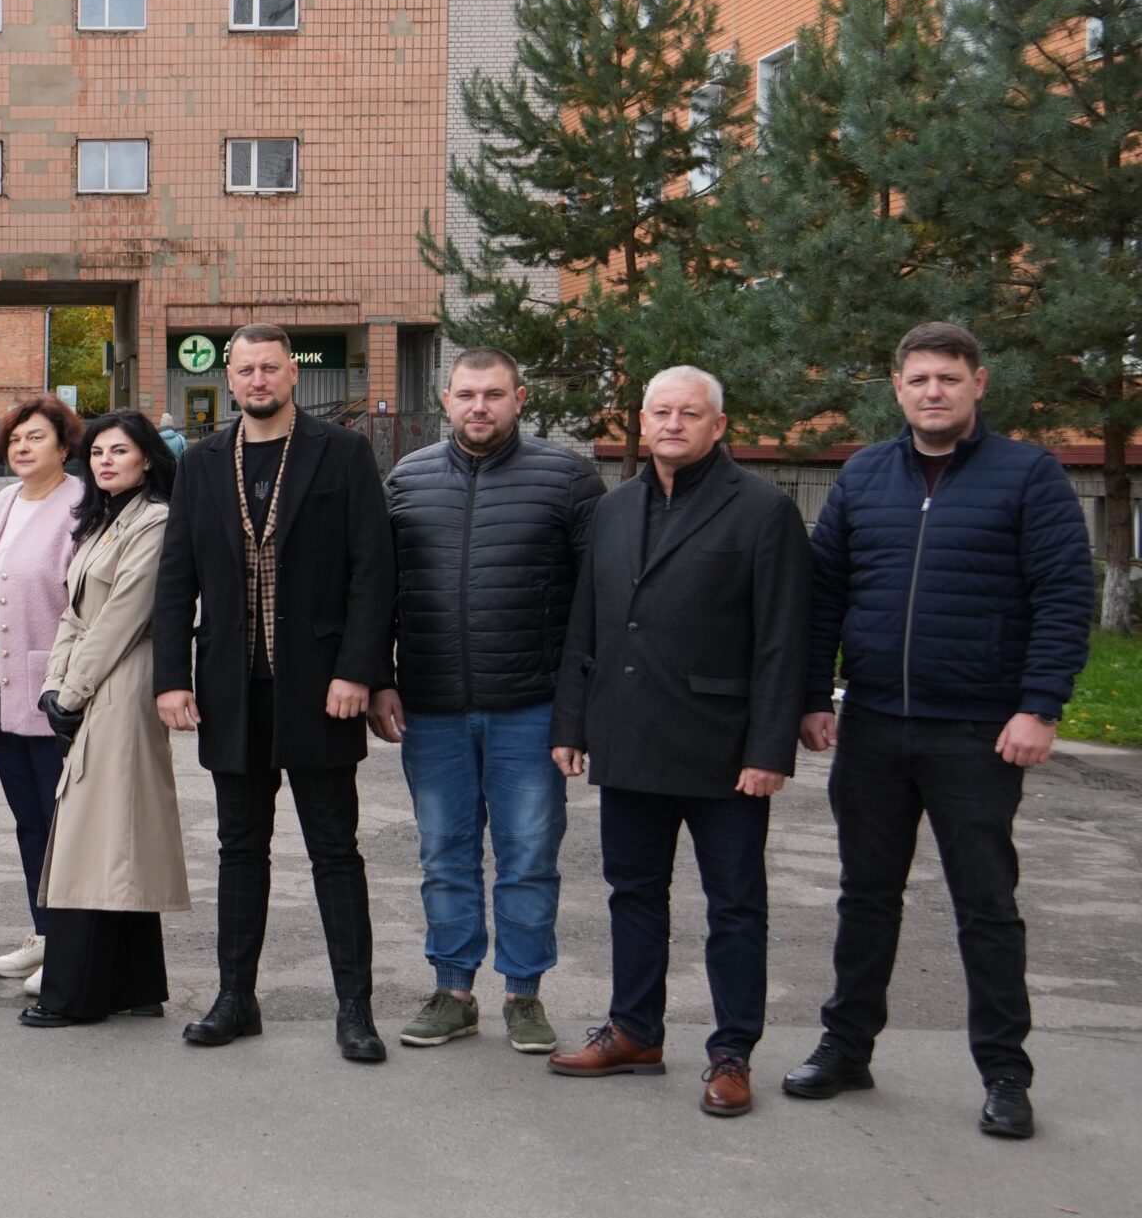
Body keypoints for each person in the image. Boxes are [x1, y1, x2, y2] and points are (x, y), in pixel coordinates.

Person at [784, 322, 1092, 1141]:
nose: (933, 391)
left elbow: (1064, 596)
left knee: (985, 903)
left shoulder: (1028, 474)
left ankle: (1005, 1073)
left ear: (978, 383)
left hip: (978, 730)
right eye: (918, 378)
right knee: (865, 895)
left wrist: (1040, 706)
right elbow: (825, 593)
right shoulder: (863, 475)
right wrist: (814, 695)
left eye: (948, 378)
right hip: (874, 723)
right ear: (897, 387)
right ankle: (847, 1046)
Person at [546, 366, 808, 1119]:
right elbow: (587, 622)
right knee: (633, 893)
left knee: (735, 905)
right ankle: (634, 1030)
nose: (672, 424)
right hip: (628, 735)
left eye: (689, 413)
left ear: (718, 425)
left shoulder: (762, 510)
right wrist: (572, 723)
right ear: (642, 420)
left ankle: (732, 1053)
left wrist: (769, 748)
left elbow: (783, 638)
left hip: (724, 749)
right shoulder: (615, 507)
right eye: (660, 412)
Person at [152, 323, 395, 1057]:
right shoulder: (201, 462)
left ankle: (355, 1008)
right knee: (239, 850)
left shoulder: (343, 452)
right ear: (230, 380)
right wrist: (172, 677)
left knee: (335, 850)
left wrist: (359, 669)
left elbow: (373, 569)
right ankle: (236, 997)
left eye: (269, 367)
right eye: (245, 369)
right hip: (232, 688)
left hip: (321, 688)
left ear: (293, 374)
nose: (257, 379)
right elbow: (176, 577)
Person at [373, 347, 604, 1053]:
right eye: (467, 394)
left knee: (529, 856)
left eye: (494, 394)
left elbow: (594, 603)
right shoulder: (406, 480)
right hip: (433, 706)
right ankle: (453, 992)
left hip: (530, 707)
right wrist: (380, 677)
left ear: (519, 398)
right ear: (446, 399)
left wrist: (576, 711)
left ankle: (524, 994)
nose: (480, 406)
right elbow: (378, 592)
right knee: (445, 854)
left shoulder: (568, 478)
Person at [21, 410, 188, 1027]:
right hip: (93, 684)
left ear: (147, 457)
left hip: (123, 684)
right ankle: (134, 985)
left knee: (96, 839)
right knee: (114, 835)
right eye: (97, 452)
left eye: (119, 451)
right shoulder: (103, 522)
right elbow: (74, 612)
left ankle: (75, 995)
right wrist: (53, 686)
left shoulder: (155, 521)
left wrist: (70, 692)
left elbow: (122, 617)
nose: (105, 461)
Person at [0, 394, 85, 990]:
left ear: (64, 446)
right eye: (15, 439)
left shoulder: (82, 506)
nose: (23, 447)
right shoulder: (1, 504)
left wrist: (76, 683)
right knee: (28, 820)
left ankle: (72, 944)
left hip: (56, 693)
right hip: (1, 686)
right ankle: (44, 933)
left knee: (65, 823)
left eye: (36, 437)